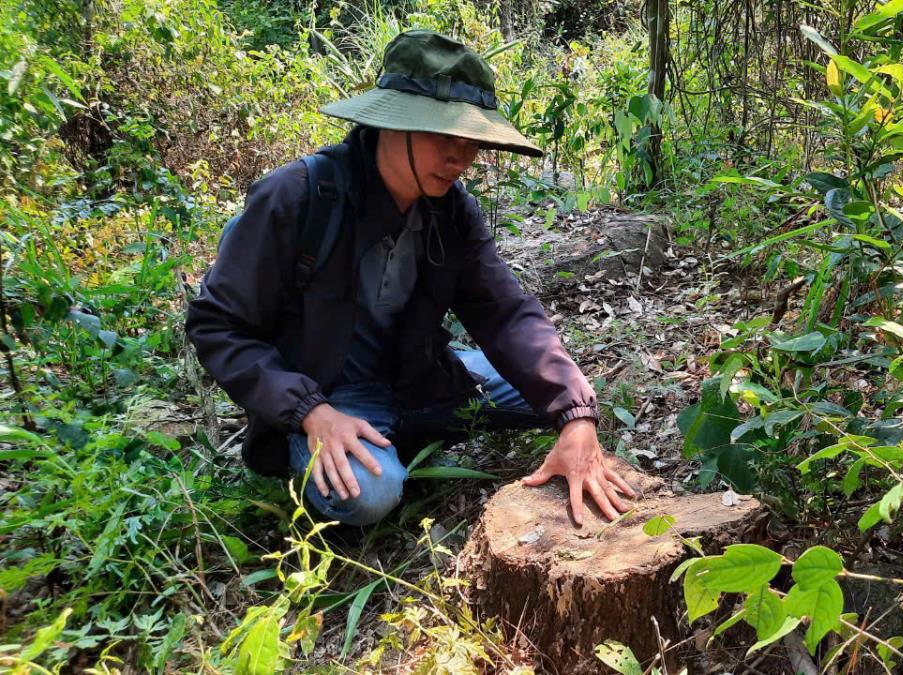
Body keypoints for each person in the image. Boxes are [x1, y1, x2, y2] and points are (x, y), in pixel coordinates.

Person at [186, 30, 634, 528]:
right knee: (369, 497)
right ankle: (316, 450)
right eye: (444, 136)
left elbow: (503, 311)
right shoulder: (298, 196)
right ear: (391, 125)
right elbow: (217, 325)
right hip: (330, 396)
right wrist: (309, 411)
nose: (461, 158)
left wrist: (575, 413)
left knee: (568, 394)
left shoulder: (451, 211)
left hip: (420, 376)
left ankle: (415, 425)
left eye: (472, 142)